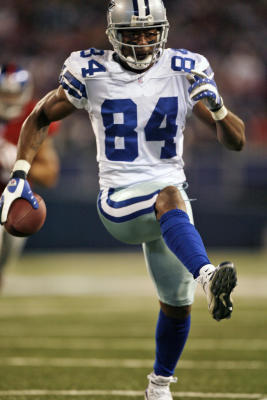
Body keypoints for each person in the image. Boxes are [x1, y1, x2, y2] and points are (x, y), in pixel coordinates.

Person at [0, 1, 245, 398]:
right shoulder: (92, 71)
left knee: (176, 305)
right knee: (170, 196)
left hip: (172, 207)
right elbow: (39, 116)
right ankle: (208, 277)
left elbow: (237, 141)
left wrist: (217, 107)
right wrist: (20, 174)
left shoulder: (185, 71)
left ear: (164, 30)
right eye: (133, 34)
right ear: (114, 35)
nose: (144, 42)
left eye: (151, 32)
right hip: (120, 199)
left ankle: (159, 387)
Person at [0, 63, 60, 289]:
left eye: (13, 94)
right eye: (3, 93)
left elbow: (49, 175)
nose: (8, 100)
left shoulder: (33, 118)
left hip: (14, 204)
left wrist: (17, 164)